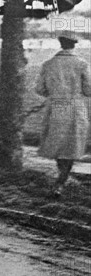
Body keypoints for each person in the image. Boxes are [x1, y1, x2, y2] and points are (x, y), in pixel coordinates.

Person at [36, 30, 91, 197]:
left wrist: (55, 94)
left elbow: (39, 89)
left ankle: (61, 179)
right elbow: (88, 90)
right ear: (74, 45)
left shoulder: (48, 64)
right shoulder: (82, 64)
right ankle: (61, 182)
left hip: (56, 107)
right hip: (74, 107)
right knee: (71, 144)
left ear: (61, 44)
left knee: (59, 144)